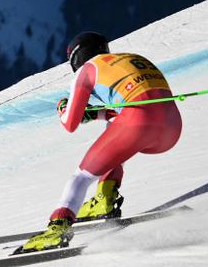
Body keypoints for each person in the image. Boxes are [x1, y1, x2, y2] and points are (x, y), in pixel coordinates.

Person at [18, 31, 183, 253]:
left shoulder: (86, 71)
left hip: (138, 123)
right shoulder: (127, 58)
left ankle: (58, 228)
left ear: (76, 58)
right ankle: (105, 196)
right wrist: (96, 114)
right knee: (115, 136)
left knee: (82, 176)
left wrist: (63, 108)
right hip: (171, 128)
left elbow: (70, 124)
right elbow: (123, 111)